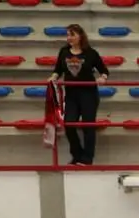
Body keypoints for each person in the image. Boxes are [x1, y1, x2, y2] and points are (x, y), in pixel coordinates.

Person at [49, 24, 108, 166]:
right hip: (71, 94)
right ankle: (77, 155)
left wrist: (102, 78)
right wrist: (53, 77)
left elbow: (104, 70)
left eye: (72, 35)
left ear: (80, 36)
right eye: (67, 35)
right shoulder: (63, 51)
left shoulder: (91, 53)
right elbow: (58, 70)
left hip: (88, 94)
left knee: (88, 126)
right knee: (69, 124)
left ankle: (87, 159)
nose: (69, 38)